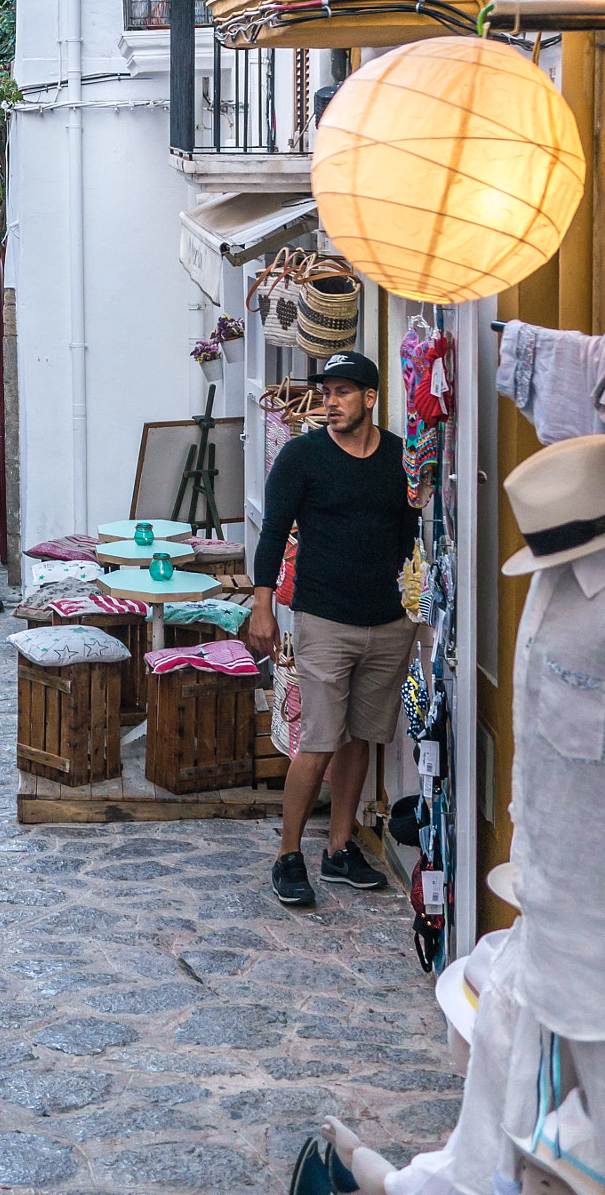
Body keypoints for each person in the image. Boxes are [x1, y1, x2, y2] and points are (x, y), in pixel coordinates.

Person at [246, 350, 419, 909]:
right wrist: (263, 606)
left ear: (370, 398)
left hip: (390, 622)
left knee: (360, 736)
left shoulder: (400, 457)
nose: (330, 402)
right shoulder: (302, 457)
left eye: (343, 392)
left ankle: (340, 847)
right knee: (319, 740)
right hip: (324, 619)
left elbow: (412, 530)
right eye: (327, 393)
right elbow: (273, 533)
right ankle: (288, 855)